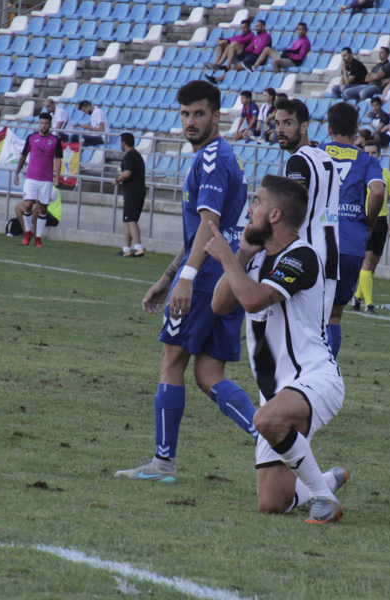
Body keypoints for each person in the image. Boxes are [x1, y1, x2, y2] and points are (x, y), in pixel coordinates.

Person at [115, 80, 258, 484]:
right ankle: (277, 443)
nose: (191, 121)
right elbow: (201, 229)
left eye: (199, 113)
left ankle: (163, 463)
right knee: (210, 375)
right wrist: (168, 276)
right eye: (185, 114)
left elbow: (208, 226)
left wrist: (187, 279)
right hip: (227, 272)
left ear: (217, 115)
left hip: (208, 274)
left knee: (172, 361)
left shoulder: (211, 158)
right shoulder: (223, 155)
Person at [205, 175, 349, 523]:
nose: (250, 210)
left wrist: (225, 257)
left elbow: (253, 301)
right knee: (272, 502)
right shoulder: (253, 260)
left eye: (256, 202)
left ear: (274, 215)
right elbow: (220, 306)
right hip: (278, 395)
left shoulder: (302, 256)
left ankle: (324, 497)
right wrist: (238, 254)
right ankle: (326, 480)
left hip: (315, 380)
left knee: (266, 418)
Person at [322, 102, 386, 357]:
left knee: (308, 312)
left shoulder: (315, 152)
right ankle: (326, 372)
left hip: (316, 242)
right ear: (356, 129)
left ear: (329, 129)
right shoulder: (366, 160)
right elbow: (378, 191)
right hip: (349, 242)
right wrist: (368, 223)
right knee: (335, 314)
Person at [274, 97, 340, 328]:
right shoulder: (325, 157)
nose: (280, 130)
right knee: (318, 330)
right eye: (277, 123)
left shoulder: (297, 161)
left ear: (304, 126)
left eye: (287, 123)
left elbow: (294, 208)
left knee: (302, 332)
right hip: (330, 253)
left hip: (308, 254)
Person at [352, 140, 390, 314]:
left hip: (381, 221)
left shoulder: (386, 175)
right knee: (366, 260)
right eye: (368, 153)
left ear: (379, 155)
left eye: (374, 153)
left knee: (373, 264)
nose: (371, 156)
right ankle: (369, 304)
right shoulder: (359, 173)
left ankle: (357, 299)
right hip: (364, 219)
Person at [14, 112, 63, 248]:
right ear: (39, 124)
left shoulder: (55, 141)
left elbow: (58, 159)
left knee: (42, 208)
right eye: (41, 123)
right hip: (31, 178)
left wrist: (57, 177)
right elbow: (23, 156)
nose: (43, 125)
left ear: (50, 124)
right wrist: (17, 173)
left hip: (46, 179)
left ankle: (38, 238)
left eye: (46, 123)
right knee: (28, 205)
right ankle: (28, 233)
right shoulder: (31, 138)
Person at [114, 132, 145, 257]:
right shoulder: (137, 155)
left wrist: (116, 180)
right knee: (127, 220)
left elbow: (126, 173)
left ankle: (138, 248)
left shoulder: (129, 156)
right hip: (137, 191)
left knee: (131, 220)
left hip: (133, 192)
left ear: (123, 143)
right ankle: (127, 248)